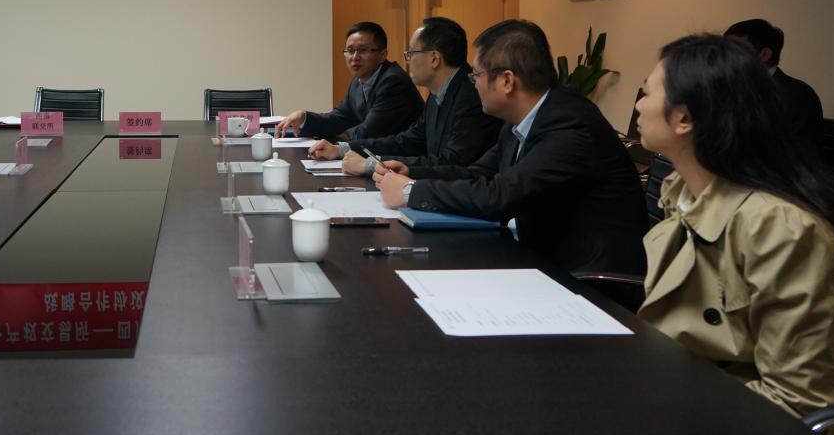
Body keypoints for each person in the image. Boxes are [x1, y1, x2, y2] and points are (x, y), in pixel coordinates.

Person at [634, 34, 834, 435]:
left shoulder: (780, 227)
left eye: (646, 93)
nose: (638, 106)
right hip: (697, 400)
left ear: (683, 118)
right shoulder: (682, 189)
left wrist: (664, 404)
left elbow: (795, 399)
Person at [374, 19, 647, 275]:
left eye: (476, 75)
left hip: (583, 278)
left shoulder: (569, 124)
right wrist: (411, 173)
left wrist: (411, 191)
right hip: (534, 255)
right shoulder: (522, 119)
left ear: (507, 81)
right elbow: (477, 173)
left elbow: (500, 195)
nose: (473, 83)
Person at [307, 17, 500, 177]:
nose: (407, 62)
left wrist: (373, 164)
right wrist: (344, 149)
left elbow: (453, 162)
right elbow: (409, 140)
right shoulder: (439, 92)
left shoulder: (471, 95)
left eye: (411, 53)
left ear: (434, 58)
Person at [276, 21, 423, 141]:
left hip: (405, 161)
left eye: (363, 50)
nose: (354, 57)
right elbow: (339, 118)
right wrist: (305, 118)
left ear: (382, 54)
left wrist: (331, 143)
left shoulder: (393, 81)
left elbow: (369, 131)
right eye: (350, 51)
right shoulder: (358, 81)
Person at [723, 18, 825, 157]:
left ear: (764, 54)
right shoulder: (728, 90)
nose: (725, 58)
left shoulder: (798, 96)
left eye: (734, 50)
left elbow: (799, 158)